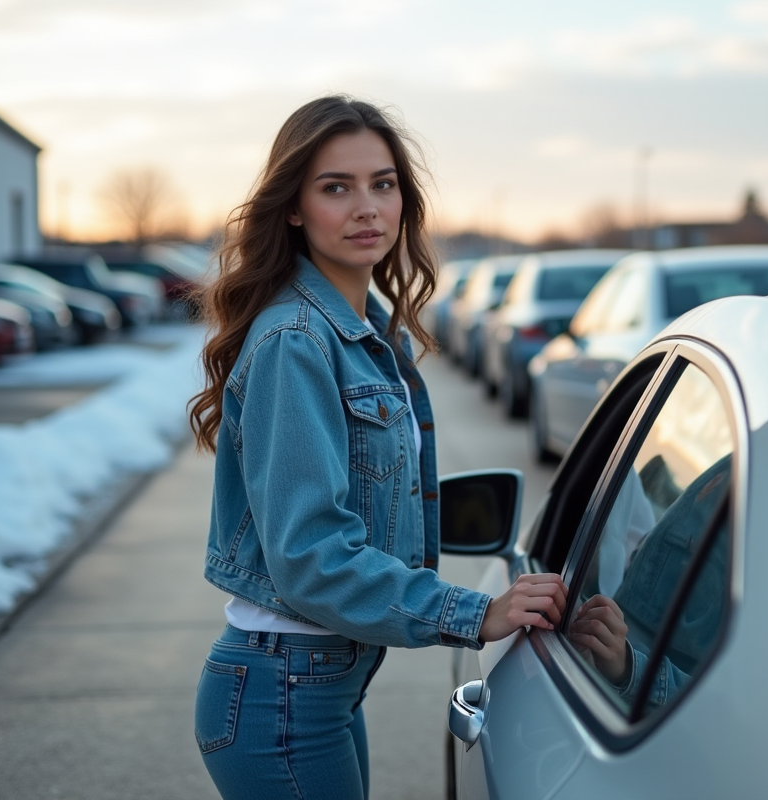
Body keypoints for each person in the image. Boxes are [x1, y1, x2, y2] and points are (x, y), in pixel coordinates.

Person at [188, 95, 567, 800]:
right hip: (282, 698)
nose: (367, 207)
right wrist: (474, 613)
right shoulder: (296, 342)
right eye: (337, 187)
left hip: (317, 689)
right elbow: (309, 557)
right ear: (294, 207)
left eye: (382, 184)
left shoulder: (365, 332)